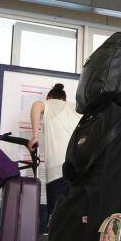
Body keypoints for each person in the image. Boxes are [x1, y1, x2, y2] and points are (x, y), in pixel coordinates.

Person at [28, 83, 80, 221]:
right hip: (78, 172)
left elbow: (36, 106)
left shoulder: (49, 104)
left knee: (55, 220)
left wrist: (34, 136)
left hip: (57, 173)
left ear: (49, 97)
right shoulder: (74, 108)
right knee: (74, 221)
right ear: (64, 98)